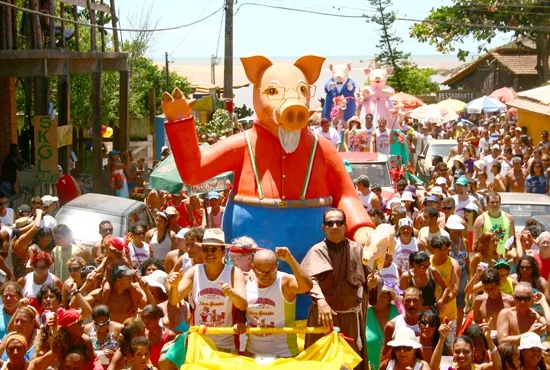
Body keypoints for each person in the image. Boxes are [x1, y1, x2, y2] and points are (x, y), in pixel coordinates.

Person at [301, 208, 378, 365]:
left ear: (345, 226)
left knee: (350, 362)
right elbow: (308, 280)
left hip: (350, 318)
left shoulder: (358, 250)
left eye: (339, 222)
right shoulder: (316, 251)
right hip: (323, 318)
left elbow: (373, 279)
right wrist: (321, 302)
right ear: (324, 228)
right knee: (320, 362)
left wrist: (374, 283)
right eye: (330, 223)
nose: (334, 226)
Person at [169, 228, 247, 353]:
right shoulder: (194, 271)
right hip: (199, 342)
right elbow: (174, 300)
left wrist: (233, 294)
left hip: (227, 343)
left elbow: (242, 305)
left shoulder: (234, 273)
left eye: (214, 249)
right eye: (205, 249)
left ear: (223, 252)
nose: (209, 253)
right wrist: (174, 286)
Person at [239, 247, 312, 358]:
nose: (266, 276)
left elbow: (306, 286)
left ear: (277, 266)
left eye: (271, 271)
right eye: (262, 272)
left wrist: (290, 260)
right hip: (253, 354)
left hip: (284, 355)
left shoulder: (285, 282)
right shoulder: (246, 281)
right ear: (253, 268)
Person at [367, 284, 400, 370]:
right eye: (375, 295)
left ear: (389, 297)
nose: (378, 298)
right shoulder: (365, 314)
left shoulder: (398, 312)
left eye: (382, 294)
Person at [383, 287, 423, 354]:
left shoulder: (430, 324)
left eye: (415, 300)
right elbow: (386, 354)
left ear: (422, 302)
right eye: (408, 301)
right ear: (402, 302)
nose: (412, 304)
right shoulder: (392, 326)